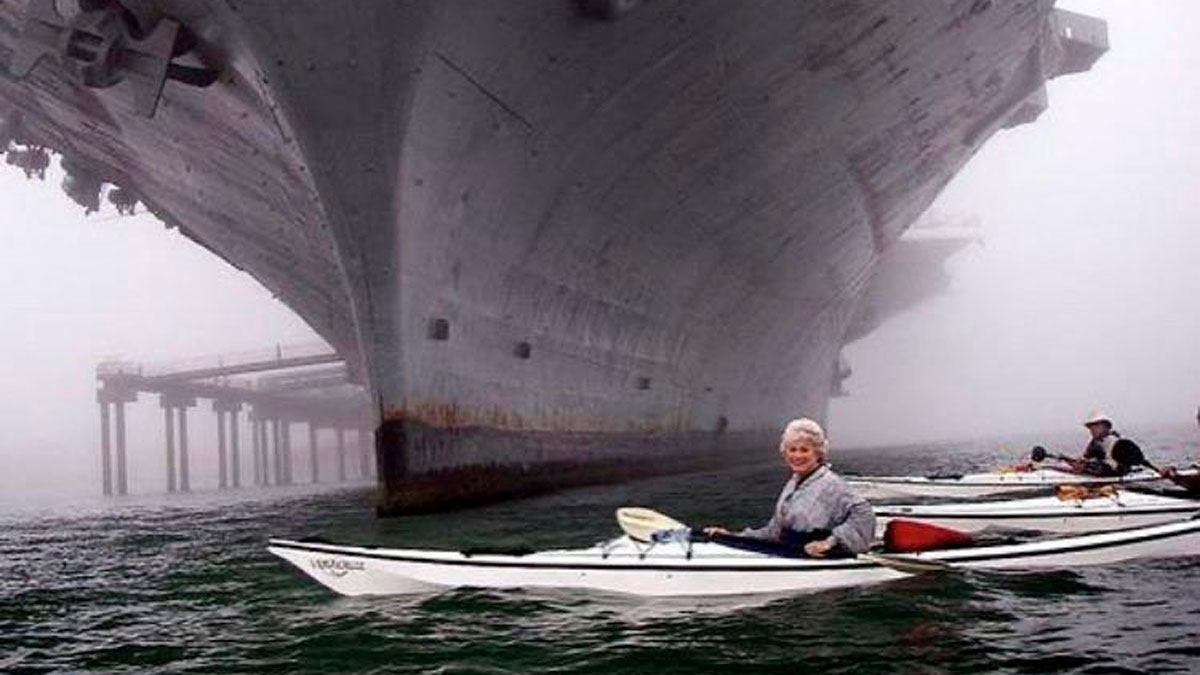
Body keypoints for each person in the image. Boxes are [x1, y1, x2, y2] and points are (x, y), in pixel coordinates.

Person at [704, 418, 875, 557]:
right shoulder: (793, 484)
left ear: (818, 453)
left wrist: (830, 543)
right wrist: (731, 536)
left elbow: (864, 514)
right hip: (789, 552)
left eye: (804, 450)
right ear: (784, 453)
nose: (797, 456)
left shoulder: (832, 485)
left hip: (813, 558)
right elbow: (774, 532)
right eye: (792, 450)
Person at [1077, 410, 1122, 476]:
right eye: (1091, 428)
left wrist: (1086, 466)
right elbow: (1086, 457)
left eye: (1095, 426)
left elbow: (1112, 467)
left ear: (1105, 426)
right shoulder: (1095, 442)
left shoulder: (1114, 442)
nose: (1092, 430)